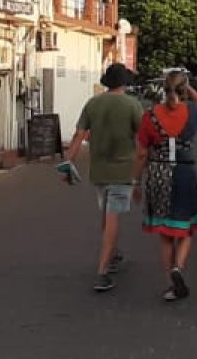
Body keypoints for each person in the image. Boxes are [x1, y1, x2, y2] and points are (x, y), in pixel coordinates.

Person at [134, 69, 197, 302]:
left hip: (159, 174)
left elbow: (140, 153)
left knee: (166, 234)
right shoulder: (192, 112)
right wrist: (187, 88)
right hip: (184, 173)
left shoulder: (150, 116)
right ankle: (178, 266)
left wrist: (136, 182)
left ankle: (170, 284)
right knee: (186, 229)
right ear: (183, 89)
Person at [64, 63, 143, 292]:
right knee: (113, 218)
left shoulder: (93, 103)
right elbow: (142, 139)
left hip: (98, 170)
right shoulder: (132, 105)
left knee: (108, 214)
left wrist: (68, 161)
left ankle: (114, 253)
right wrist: (142, 170)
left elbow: (79, 134)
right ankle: (102, 271)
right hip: (123, 170)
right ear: (125, 82)